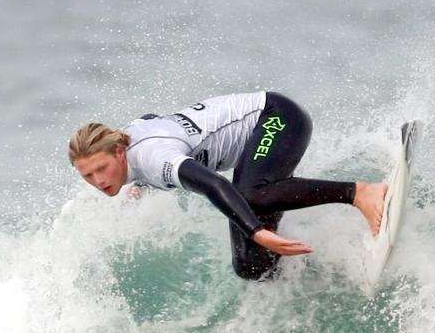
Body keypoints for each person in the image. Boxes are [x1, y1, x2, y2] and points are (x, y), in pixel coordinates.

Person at [68, 91, 387, 280]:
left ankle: (359, 192)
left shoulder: (153, 158)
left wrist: (256, 230)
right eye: (88, 176)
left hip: (276, 117)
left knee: (251, 197)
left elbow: (212, 184)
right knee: (251, 266)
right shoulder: (126, 141)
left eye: (102, 169)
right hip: (255, 142)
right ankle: (327, 263)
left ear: (120, 153)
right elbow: (149, 118)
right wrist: (141, 186)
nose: (98, 181)